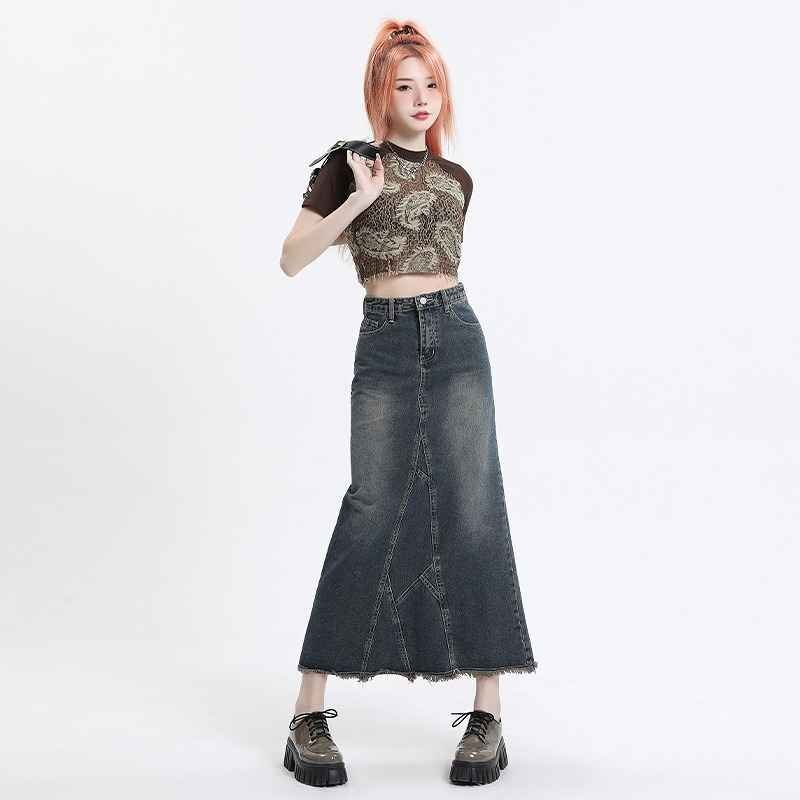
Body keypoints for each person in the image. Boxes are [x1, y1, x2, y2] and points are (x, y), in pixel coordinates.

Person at [279, 19, 538, 787]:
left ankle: (488, 710)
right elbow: (291, 258)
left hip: (457, 337)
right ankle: (307, 711)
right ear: (381, 95)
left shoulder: (457, 180)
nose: (421, 98)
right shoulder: (350, 164)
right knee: (371, 509)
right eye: (404, 86)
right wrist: (358, 203)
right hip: (385, 341)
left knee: (474, 506)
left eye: (431, 85)